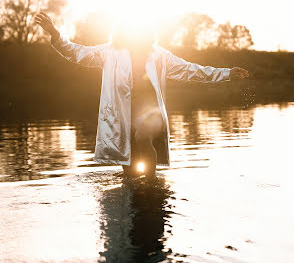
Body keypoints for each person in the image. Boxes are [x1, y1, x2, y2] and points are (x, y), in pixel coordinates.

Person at [35, 12, 249, 180]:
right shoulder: (109, 53)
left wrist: (226, 73)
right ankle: (136, 206)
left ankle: (154, 186)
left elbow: (191, 70)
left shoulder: (159, 55)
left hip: (153, 115)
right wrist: (55, 33)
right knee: (130, 174)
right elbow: (76, 52)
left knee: (143, 138)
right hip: (126, 119)